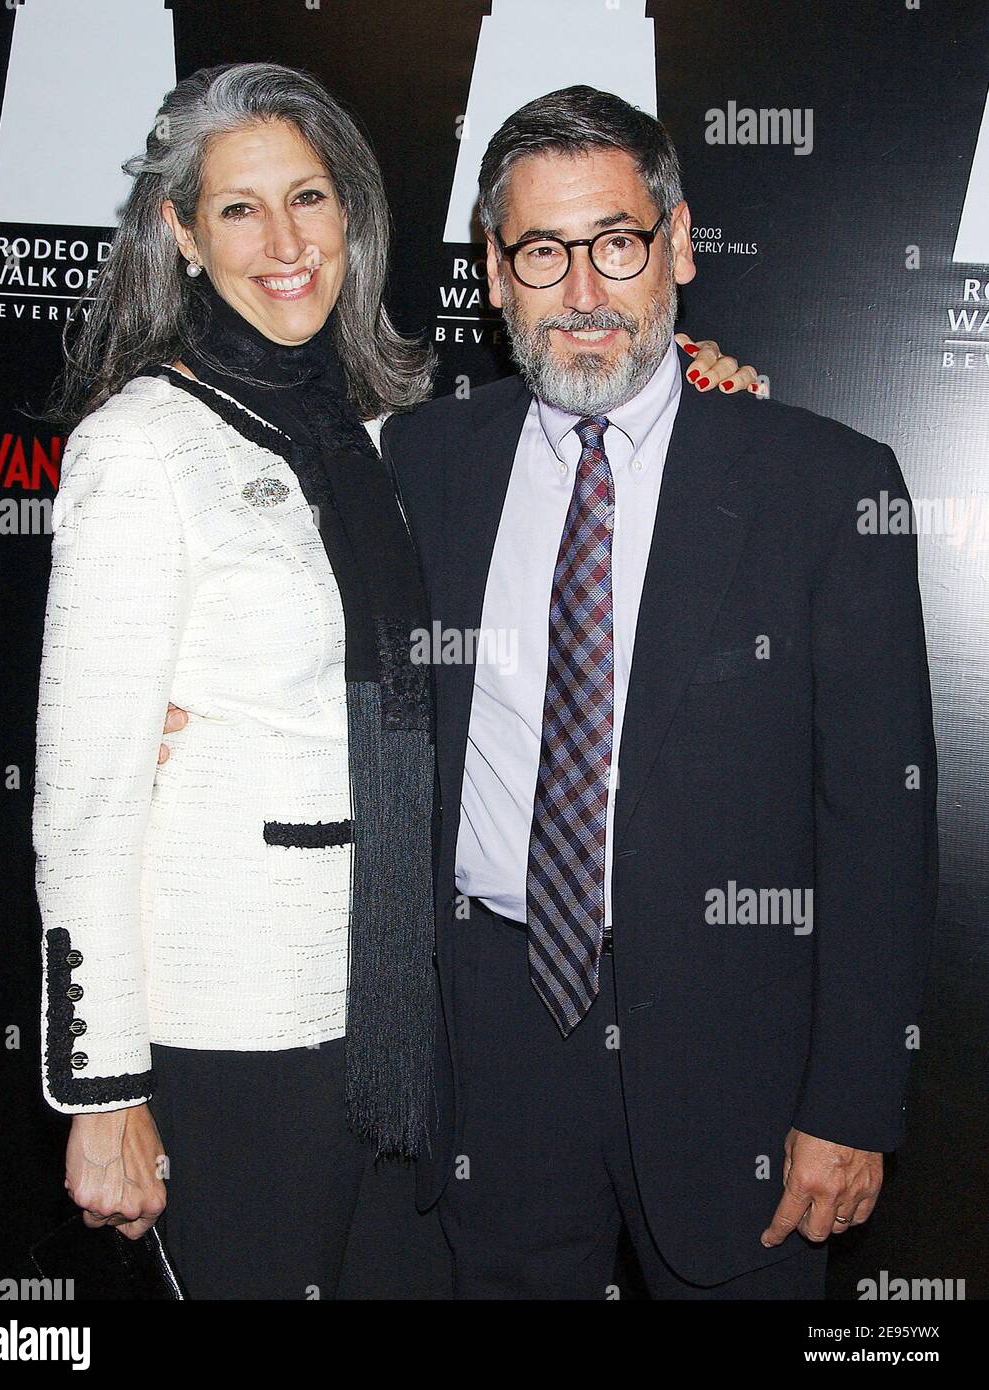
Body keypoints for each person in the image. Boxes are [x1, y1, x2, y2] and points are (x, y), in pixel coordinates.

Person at [35, 62, 750, 1300]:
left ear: (351, 218)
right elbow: (87, 799)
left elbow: (590, 435)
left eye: (309, 199)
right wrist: (102, 1090)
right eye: (240, 209)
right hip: (235, 1025)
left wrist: (699, 389)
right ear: (182, 236)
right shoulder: (136, 448)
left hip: (403, 1019)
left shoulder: (382, 436)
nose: (285, 242)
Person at [378, 86, 938, 1299]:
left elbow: (879, 823)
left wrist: (853, 1101)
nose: (583, 291)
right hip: (493, 1034)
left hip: (740, 1057)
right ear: (493, 269)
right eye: (541, 251)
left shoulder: (826, 486)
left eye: (618, 242)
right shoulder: (421, 467)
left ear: (678, 242)